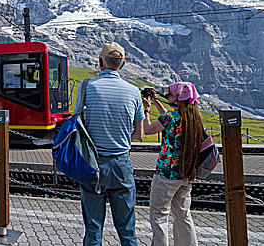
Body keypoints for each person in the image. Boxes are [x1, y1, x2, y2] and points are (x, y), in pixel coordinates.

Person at [75, 42, 144, 246]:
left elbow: (79, 123)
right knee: (127, 231)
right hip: (121, 165)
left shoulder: (86, 86)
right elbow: (139, 134)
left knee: (93, 229)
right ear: (122, 64)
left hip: (93, 165)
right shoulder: (134, 91)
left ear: (100, 62)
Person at [142, 82, 202, 246]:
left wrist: (147, 109)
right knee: (183, 215)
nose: (167, 96)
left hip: (166, 175)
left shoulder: (170, 118)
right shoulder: (194, 117)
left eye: (169, 94)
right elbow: (168, 119)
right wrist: (156, 102)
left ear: (176, 98)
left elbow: (147, 130)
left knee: (159, 215)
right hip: (186, 174)